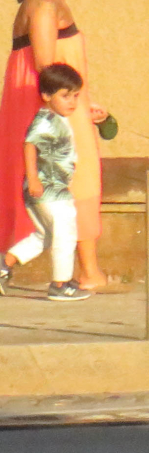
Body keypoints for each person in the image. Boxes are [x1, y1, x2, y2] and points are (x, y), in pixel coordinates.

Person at [2, 0, 117, 293]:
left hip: (66, 102)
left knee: (75, 181)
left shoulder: (50, 3)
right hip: (54, 108)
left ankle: (85, 271)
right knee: (76, 180)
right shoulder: (43, 5)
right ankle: (86, 273)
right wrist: (71, 105)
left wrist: (86, 101)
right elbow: (47, 66)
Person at [8, 63, 89, 300]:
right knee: (65, 232)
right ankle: (60, 284)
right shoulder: (46, 120)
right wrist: (33, 178)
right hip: (49, 188)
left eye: (75, 96)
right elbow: (30, 145)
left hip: (50, 188)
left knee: (46, 235)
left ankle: (5, 264)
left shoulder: (57, 118)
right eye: (65, 96)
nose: (72, 102)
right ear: (46, 96)